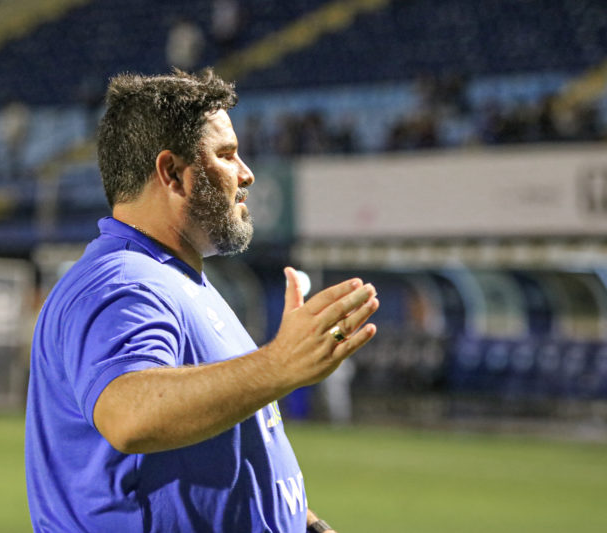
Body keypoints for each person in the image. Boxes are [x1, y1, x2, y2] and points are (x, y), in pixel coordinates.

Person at [24, 69, 379, 532]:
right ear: (171, 173)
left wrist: (300, 521)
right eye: (227, 155)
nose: (246, 173)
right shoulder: (124, 283)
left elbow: (216, 453)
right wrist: (278, 364)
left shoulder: (178, 281)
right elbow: (130, 415)